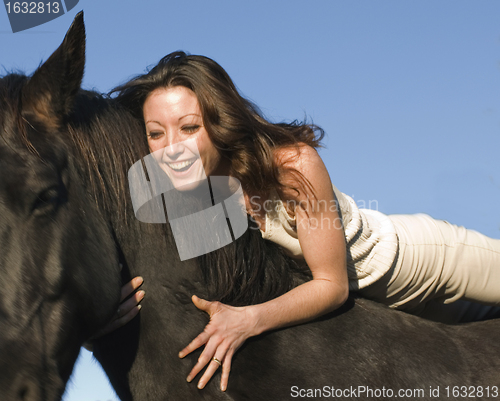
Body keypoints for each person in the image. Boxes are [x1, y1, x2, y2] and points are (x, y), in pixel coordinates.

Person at [100, 51, 500, 392]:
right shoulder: (190, 198)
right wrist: (103, 319)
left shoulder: (291, 165)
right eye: (156, 134)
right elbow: (169, 281)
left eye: (189, 127)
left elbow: (332, 285)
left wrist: (248, 320)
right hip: (382, 319)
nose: (172, 148)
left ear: (219, 120)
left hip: (416, 266)